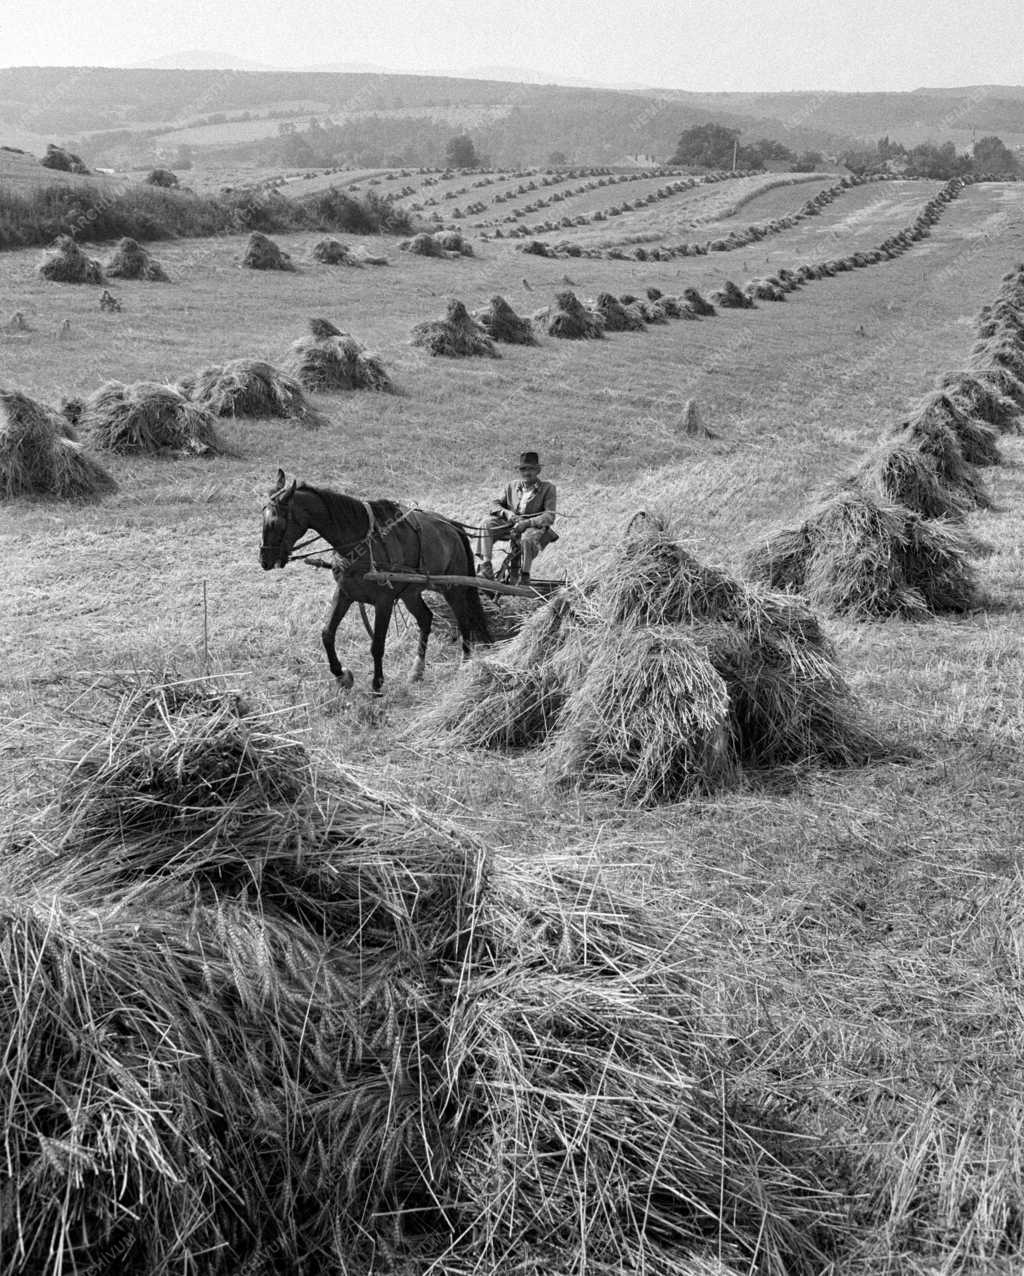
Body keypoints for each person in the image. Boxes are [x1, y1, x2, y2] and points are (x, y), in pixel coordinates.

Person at [477, 451, 557, 583]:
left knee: (527, 538)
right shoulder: (511, 486)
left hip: (532, 527)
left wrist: (527, 523)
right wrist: (508, 514)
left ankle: (524, 575)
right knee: (486, 523)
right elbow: (494, 504)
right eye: (523, 469)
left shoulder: (548, 488)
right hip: (510, 524)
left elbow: (550, 515)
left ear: (538, 470)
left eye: (530, 469)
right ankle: (486, 567)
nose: (526, 473)